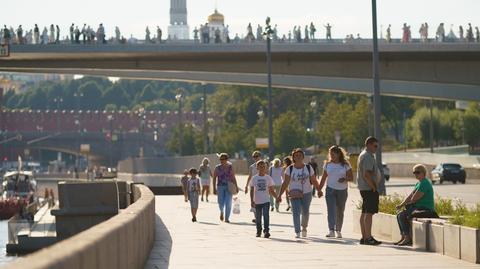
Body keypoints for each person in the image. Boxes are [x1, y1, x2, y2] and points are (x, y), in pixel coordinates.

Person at [278, 148, 321, 238]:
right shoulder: (289, 169)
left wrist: (319, 190)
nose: (298, 157)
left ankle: (304, 227)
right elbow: (285, 182)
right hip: (294, 193)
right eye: (296, 155)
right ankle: (297, 231)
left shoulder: (308, 168)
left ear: (303, 157)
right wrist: (279, 195)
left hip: (307, 193)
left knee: (305, 212)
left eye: (300, 155)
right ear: (293, 157)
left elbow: (313, 180)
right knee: (296, 212)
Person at [395, 164, 438, 246]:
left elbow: (414, 198)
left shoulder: (424, 183)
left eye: (417, 172)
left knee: (402, 215)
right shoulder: (419, 183)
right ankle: (404, 236)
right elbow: (411, 196)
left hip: (425, 208)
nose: (416, 174)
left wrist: (409, 202)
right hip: (417, 207)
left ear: (423, 173)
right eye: (414, 172)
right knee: (399, 215)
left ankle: (408, 238)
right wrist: (401, 205)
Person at [319, 145, 353, 238]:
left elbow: (351, 177)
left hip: (342, 191)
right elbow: (323, 177)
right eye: (330, 154)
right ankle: (331, 230)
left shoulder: (346, 164)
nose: (331, 156)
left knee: (340, 211)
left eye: (333, 154)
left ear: (338, 154)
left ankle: (338, 230)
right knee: (331, 210)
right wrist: (319, 189)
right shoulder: (327, 164)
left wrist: (345, 179)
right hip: (330, 190)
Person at [357, 136, 382, 245]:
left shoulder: (365, 155)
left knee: (364, 212)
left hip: (364, 188)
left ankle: (364, 237)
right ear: (368, 144)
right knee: (369, 213)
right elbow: (366, 174)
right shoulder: (367, 156)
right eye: (375, 146)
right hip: (368, 188)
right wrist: (373, 186)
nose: (376, 148)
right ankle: (368, 238)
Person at [250, 160, 279, 238]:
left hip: (266, 200)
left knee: (266, 216)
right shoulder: (254, 178)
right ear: (257, 168)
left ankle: (266, 231)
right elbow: (252, 190)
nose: (262, 168)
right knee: (258, 218)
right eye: (260, 166)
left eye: (263, 166)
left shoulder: (268, 178)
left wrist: (277, 197)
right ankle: (258, 231)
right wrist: (252, 201)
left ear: (266, 168)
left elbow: (271, 190)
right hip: (257, 201)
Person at [213, 153, 238, 223]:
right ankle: (221, 211)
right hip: (220, 186)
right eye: (220, 159)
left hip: (229, 186)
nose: (221, 160)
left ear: (227, 159)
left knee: (228, 202)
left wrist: (236, 186)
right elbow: (214, 178)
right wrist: (214, 188)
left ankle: (227, 218)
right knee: (220, 202)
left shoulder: (230, 167)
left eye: (223, 159)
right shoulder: (217, 167)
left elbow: (233, 177)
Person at [245, 151, 262, 222]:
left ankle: (259, 216)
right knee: (253, 201)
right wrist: (246, 186)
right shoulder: (252, 167)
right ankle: (257, 217)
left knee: (261, 201)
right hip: (253, 186)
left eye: (257, 156)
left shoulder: (264, 165)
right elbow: (249, 176)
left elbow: (268, 175)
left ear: (260, 156)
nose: (255, 158)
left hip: (262, 186)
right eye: (254, 157)